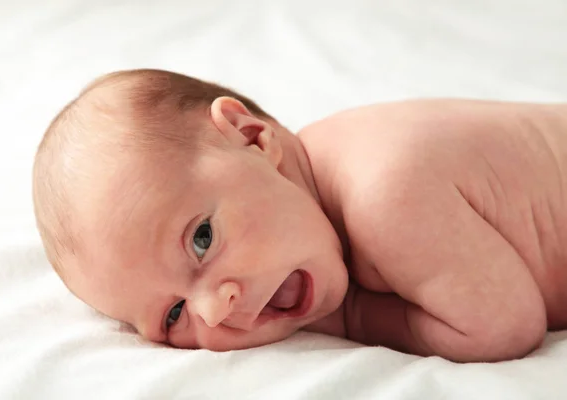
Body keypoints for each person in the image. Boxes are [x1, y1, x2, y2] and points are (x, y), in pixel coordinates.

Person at [32, 69, 567, 362]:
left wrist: (353, 316)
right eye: (174, 317)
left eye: (201, 239)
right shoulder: (315, 203)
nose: (215, 309)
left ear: (252, 137)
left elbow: (503, 328)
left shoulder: (384, 194)